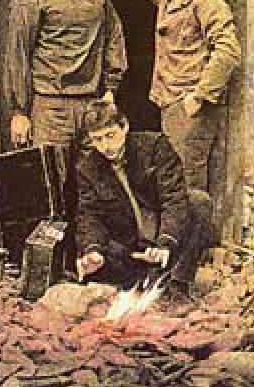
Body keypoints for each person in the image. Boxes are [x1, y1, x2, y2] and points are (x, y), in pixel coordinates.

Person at [102, 0, 241, 193]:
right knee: (173, 175)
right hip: (168, 100)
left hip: (189, 104)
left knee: (188, 179)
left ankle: (194, 223)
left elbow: (228, 50)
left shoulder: (206, 1)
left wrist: (199, 95)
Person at [3, 0, 127, 148]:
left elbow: (114, 38)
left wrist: (110, 90)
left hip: (94, 104)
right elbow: (17, 56)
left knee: (96, 170)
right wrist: (19, 111)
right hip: (51, 109)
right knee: (52, 170)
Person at [75, 99, 214, 290]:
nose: (105, 146)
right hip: (127, 244)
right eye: (97, 139)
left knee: (199, 202)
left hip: (162, 235)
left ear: (124, 126)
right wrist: (93, 250)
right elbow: (89, 215)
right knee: (95, 256)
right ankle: (139, 280)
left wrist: (165, 242)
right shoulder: (87, 167)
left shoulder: (155, 147)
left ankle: (178, 284)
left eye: (110, 135)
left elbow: (173, 198)